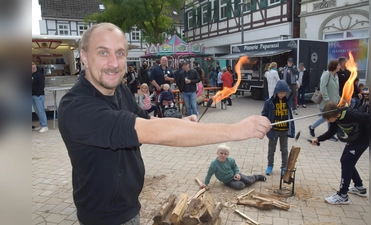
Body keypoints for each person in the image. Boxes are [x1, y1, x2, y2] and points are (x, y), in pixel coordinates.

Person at [58, 23, 272, 225]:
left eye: (120, 53)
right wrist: (236, 130)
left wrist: (180, 122)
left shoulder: (119, 90)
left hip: (130, 207)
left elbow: (147, 120)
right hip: (103, 218)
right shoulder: (77, 108)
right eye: (103, 52)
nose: (114, 63)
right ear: (84, 57)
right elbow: (152, 131)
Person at [310, 102, 369, 205]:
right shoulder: (335, 119)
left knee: (347, 162)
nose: (327, 121)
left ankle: (342, 196)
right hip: (354, 139)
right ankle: (359, 187)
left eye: (328, 119)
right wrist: (318, 139)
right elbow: (331, 132)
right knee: (345, 161)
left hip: (363, 139)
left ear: (335, 115)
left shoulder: (352, 115)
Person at [262, 80, 295, 175]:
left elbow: (290, 114)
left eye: (284, 92)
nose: (282, 94)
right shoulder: (269, 102)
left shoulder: (288, 101)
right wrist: (266, 123)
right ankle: (270, 166)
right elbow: (264, 114)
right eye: (280, 92)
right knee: (271, 149)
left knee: (284, 149)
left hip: (284, 130)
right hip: (274, 130)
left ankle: (284, 167)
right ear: (276, 91)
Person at [199, 144, 266, 190]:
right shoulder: (214, 164)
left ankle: (256, 177)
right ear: (217, 153)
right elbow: (209, 174)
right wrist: (205, 183)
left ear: (228, 155)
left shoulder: (230, 160)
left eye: (225, 154)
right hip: (227, 181)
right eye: (221, 153)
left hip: (235, 175)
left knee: (249, 181)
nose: (223, 155)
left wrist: (236, 173)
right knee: (240, 186)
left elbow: (235, 167)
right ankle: (246, 180)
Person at [309, 60, 341, 142]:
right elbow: (323, 88)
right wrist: (328, 100)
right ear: (334, 66)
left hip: (334, 103)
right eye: (338, 65)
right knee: (325, 118)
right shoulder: (326, 75)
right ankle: (312, 127)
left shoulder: (336, 76)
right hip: (326, 103)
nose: (340, 66)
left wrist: (338, 100)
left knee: (330, 118)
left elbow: (336, 90)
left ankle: (330, 134)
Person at [32, 62, 48, 133]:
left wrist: (38, 94)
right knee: (37, 111)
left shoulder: (39, 75)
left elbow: (42, 85)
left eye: (34, 67)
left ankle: (45, 126)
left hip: (38, 96)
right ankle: (42, 124)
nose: (34, 69)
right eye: (32, 68)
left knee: (41, 111)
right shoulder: (32, 75)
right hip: (32, 95)